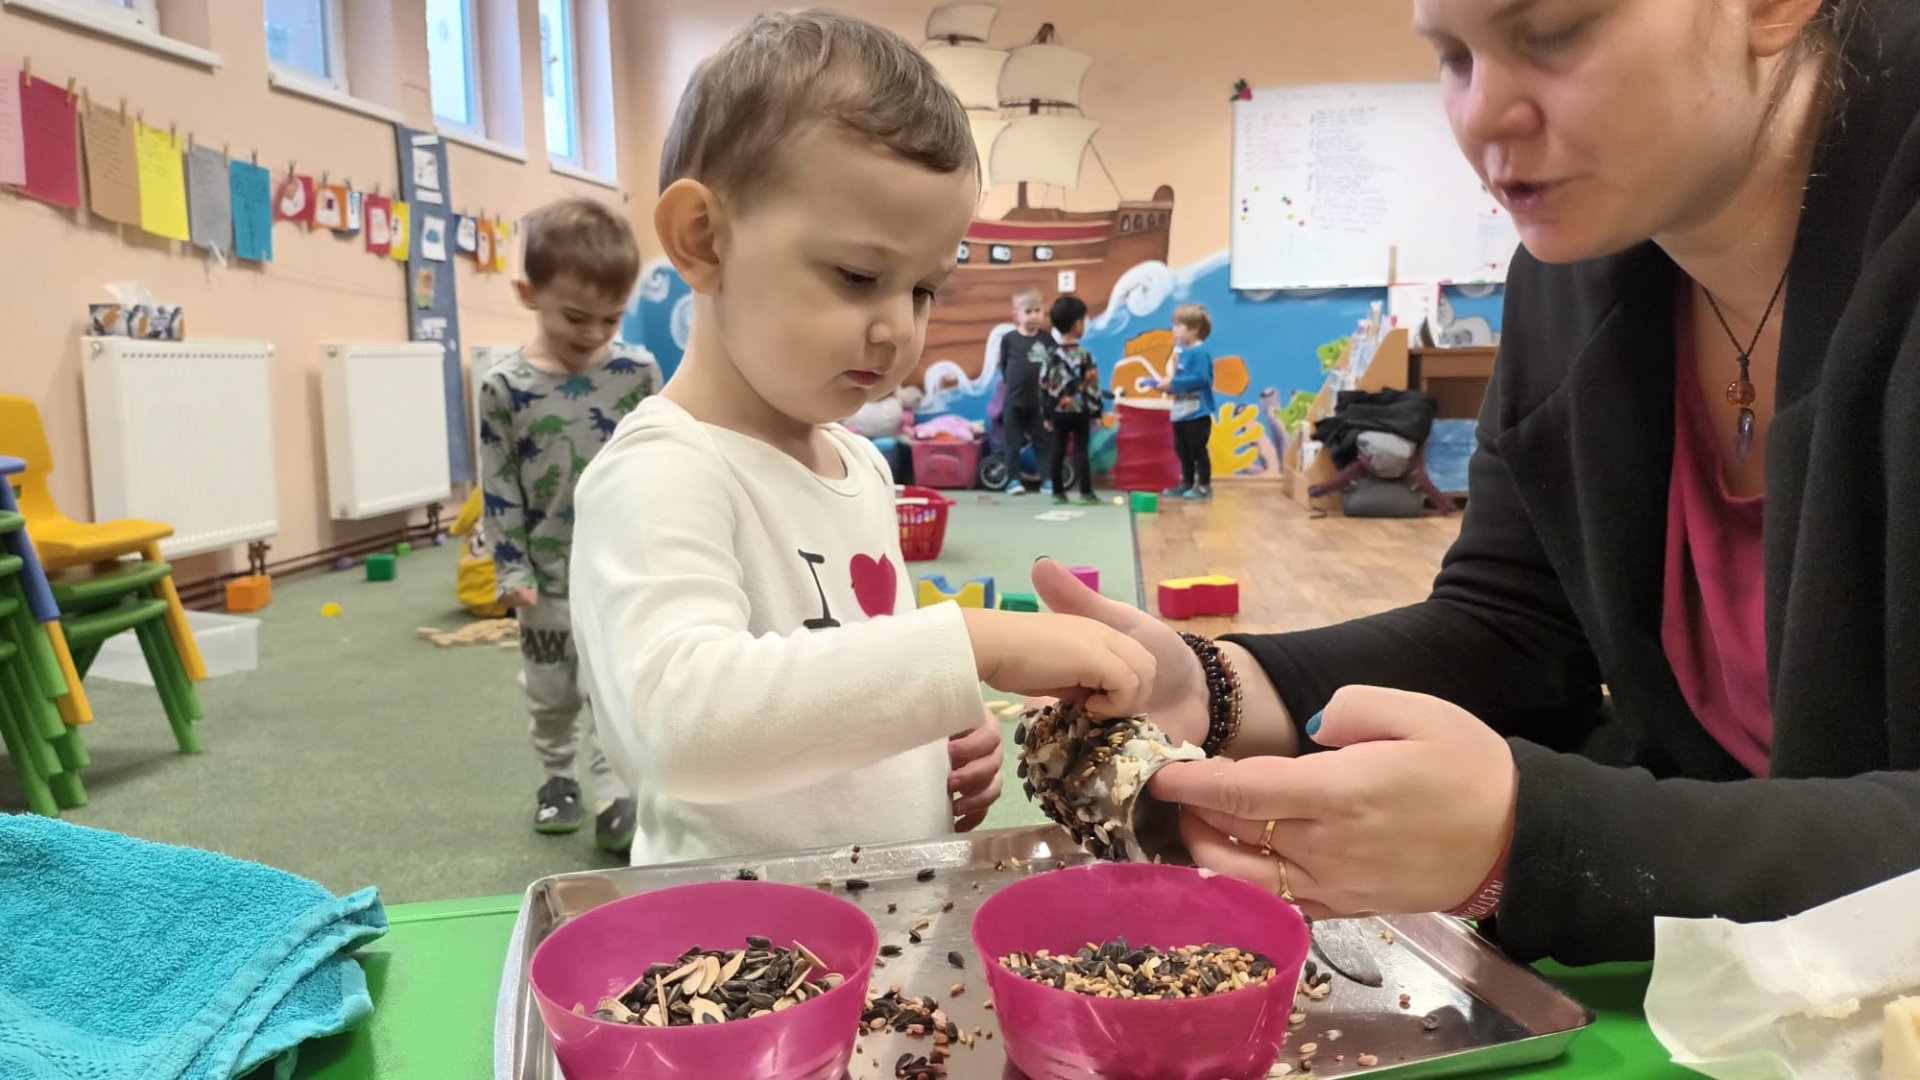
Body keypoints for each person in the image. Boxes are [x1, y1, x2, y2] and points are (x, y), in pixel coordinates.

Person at [1031, 0, 1920, 966]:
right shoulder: (1575, 265)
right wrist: (1218, 688)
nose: (1482, 116)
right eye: (1454, 56)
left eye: (1556, 33)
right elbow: (1513, 625)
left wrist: (1539, 843)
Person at [569, 11, 1156, 867]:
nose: (898, 331)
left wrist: (938, 736)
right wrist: (971, 644)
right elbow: (679, 729)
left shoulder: (856, 463)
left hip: (888, 910)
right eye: (856, 276)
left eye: (923, 290)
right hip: (738, 933)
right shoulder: (662, 470)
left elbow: (851, 667)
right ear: (703, 239)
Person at [475, 197, 663, 853]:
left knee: (612, 685)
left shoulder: (637, 373)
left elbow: (659, 463)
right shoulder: (504, 386)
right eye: (576, 317)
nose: (593, 334)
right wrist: (511, 566)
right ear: (529, 294)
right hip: (546, 574)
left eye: (611, 318)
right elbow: (499, 482)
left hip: (619, 567)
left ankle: (614, 792)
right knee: (552, 689)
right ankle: (558, 778)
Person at [1038, 295, 1103, 506]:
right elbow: (1092, 386)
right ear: (1077, 324)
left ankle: (1057, 493)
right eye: (1083, 320)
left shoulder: (1050, 355)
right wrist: (1096, 413)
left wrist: (1046, 415)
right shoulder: (1085, 356)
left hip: (1057, 412)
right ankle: (1086, 493)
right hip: (1080, 411)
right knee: (1081, 450)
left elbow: (1043, 386)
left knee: (1057, 450)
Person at [1154, 304, 1217, 500]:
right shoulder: (1184, 354)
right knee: (1183, 450)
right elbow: (1182, 382)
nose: (1173, 329)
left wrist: (1173, 383)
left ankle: (1204, 486)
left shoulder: (1200, 353)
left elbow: (1201, 379)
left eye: (1178, 325)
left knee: (1197, 450)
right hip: (1182, 411)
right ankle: (1187, 482)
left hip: (1197, 413)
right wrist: (1166, 386)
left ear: (1194, 328)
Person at [999, 287, 1051, 495]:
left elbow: (1054, 367)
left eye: (1037, 310)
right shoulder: (1009, 339)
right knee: (1012, 443)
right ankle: (1013, 480)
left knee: (1042, 442)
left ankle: (1047, 479)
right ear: (1016, 315)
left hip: (1038, 403)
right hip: (1013, 401)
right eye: (1028, 311)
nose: (1033, 316)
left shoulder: (1047, 340)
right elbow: (1004, 367)